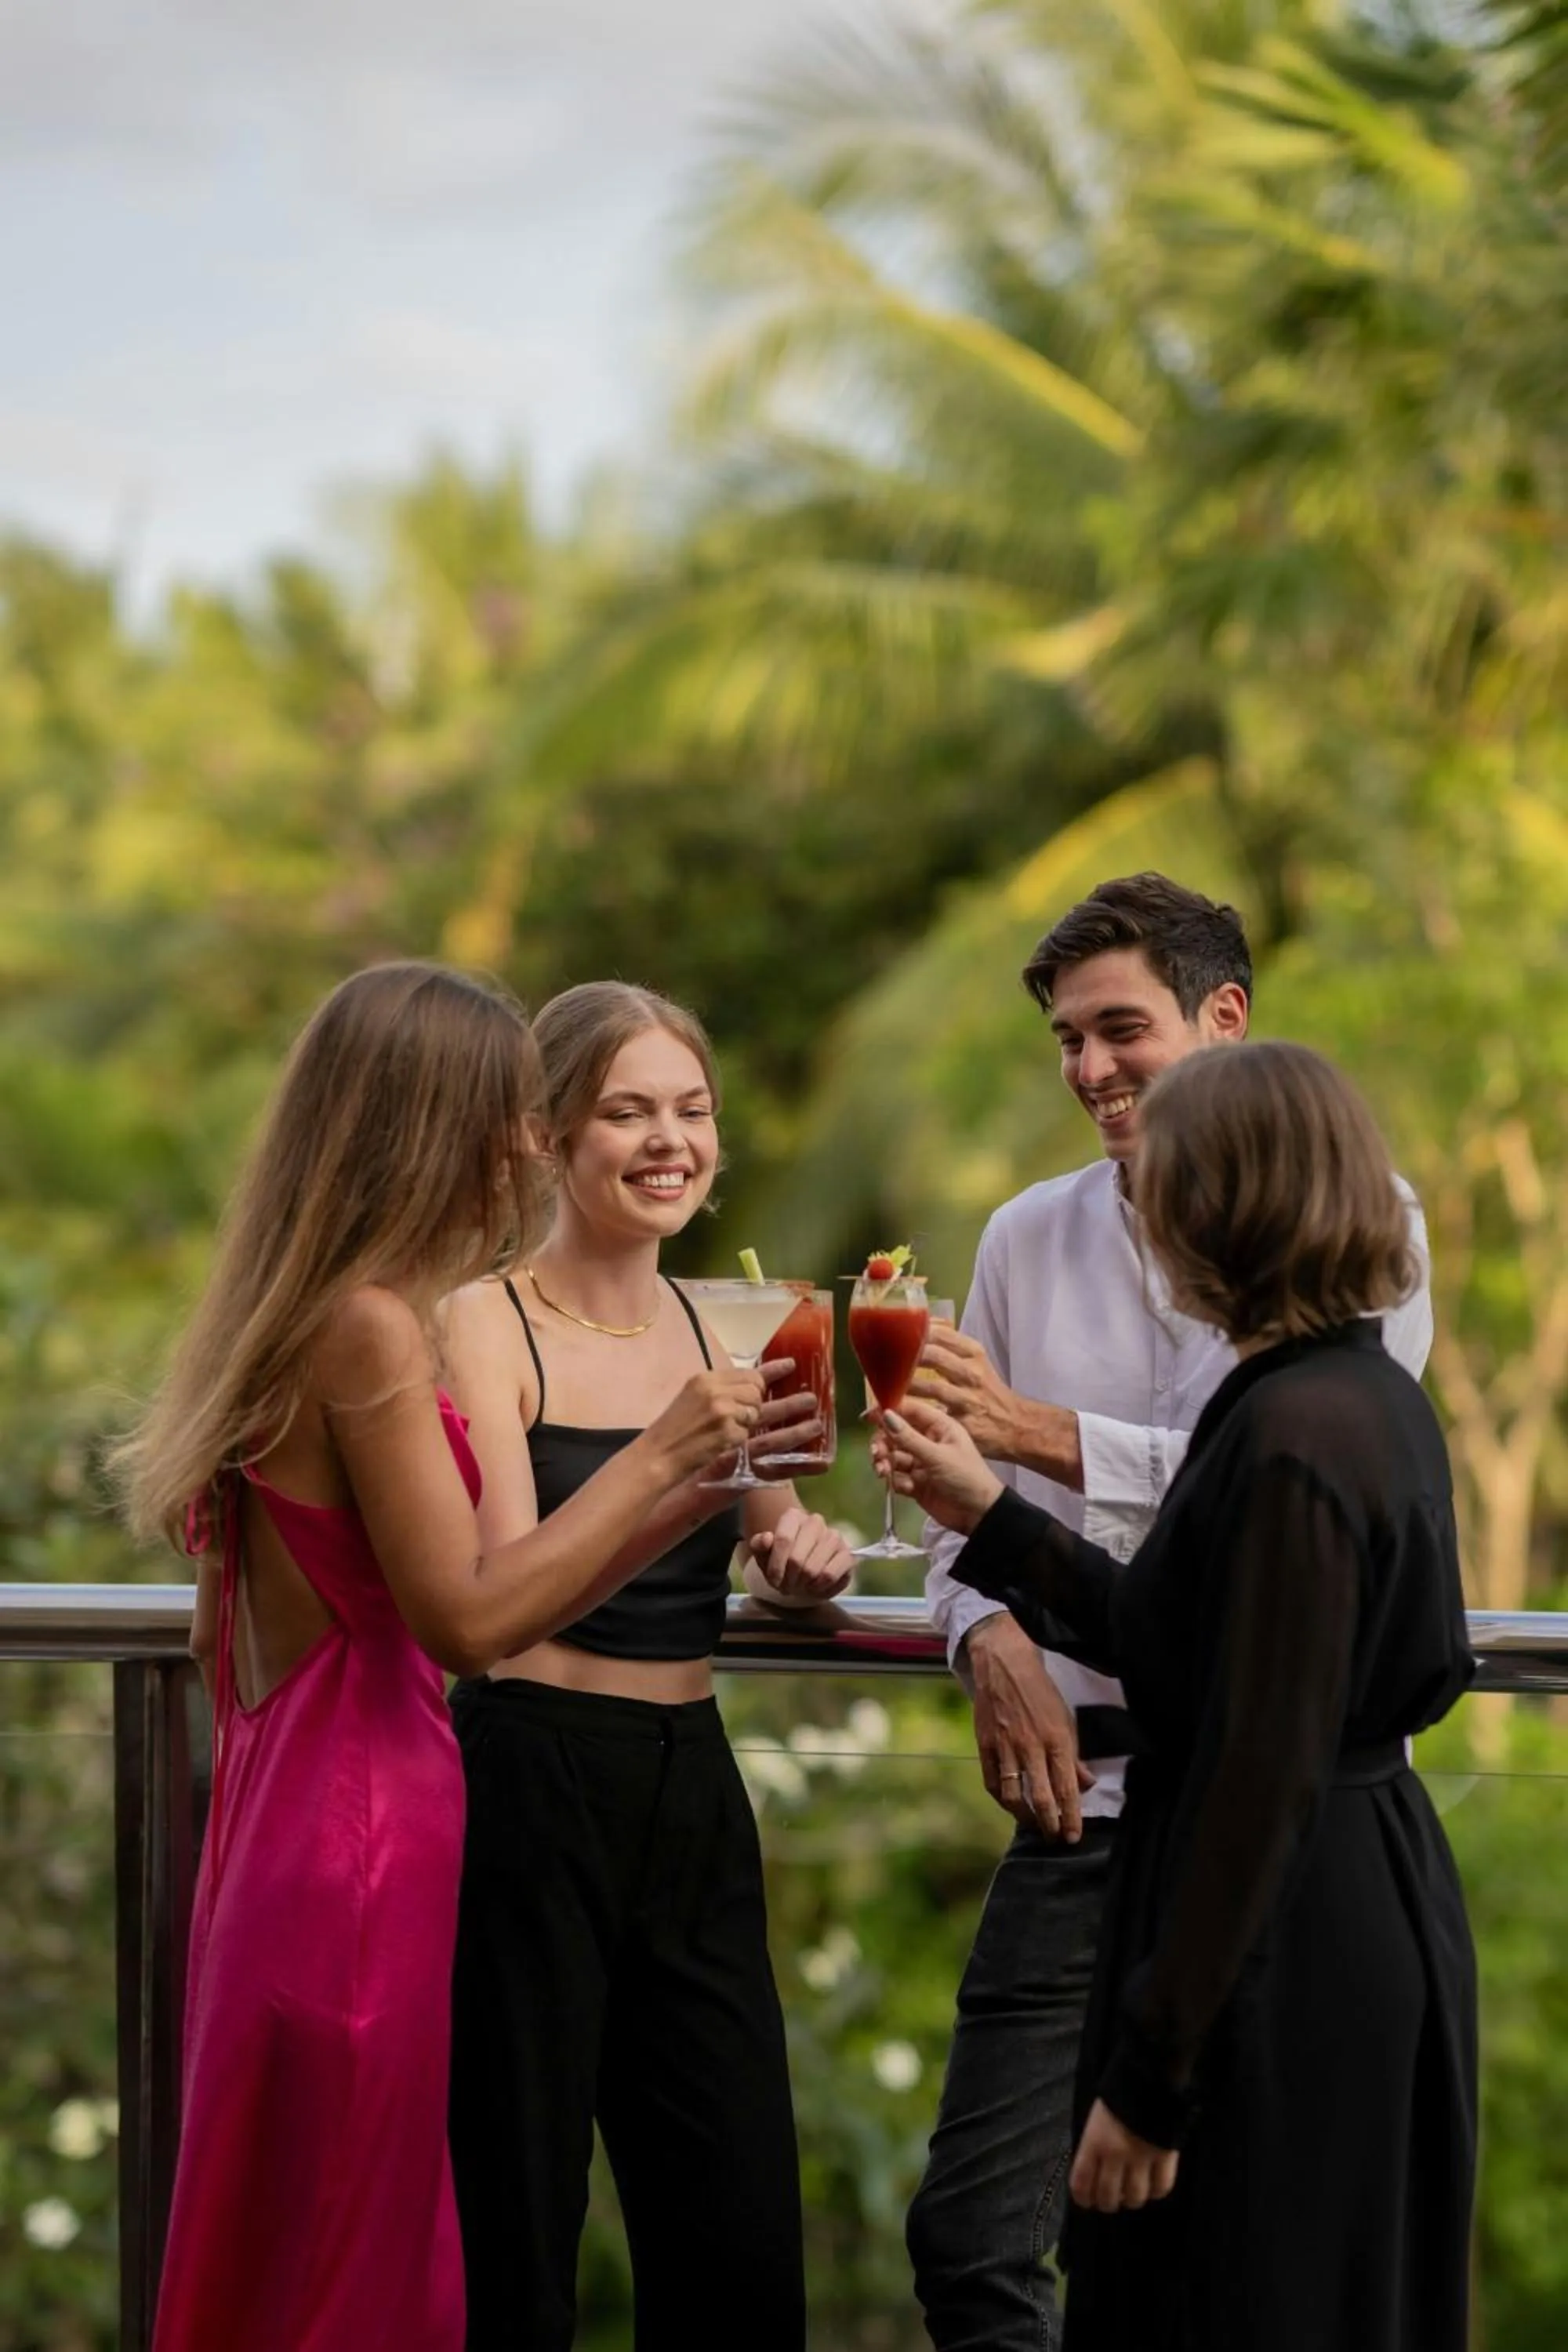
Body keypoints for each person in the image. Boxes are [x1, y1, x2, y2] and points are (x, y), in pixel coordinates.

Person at [112, 963, 766, 2352]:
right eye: (506, 1115)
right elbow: (465, 1620)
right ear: (425, 1124)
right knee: (366, 2273)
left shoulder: (295, 1314)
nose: (525, 1148)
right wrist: (664, 1453)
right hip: (366, 1842)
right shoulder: (372, 1330)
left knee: (282, 2251)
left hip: (283, 1819)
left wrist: (686, 1501)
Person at [903, 875, 1434, 2352]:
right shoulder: (1024, 1234)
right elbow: (961, 1525)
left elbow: (1248, 1517)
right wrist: (982, 1629)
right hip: (1076, 1818)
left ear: (1224, 1015)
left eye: (1117, 1029)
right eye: (1065, 1042)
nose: (1087, 1072)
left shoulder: (1360, 1234)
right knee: (973, 2238)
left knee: (1239, 2264)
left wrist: (1026, 1439)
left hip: (1271, 1846)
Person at [442, 980, 855, 2352]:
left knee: (737, 2239)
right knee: (517, 2225)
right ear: (549, 1136)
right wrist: (671, 1459)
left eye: (692, 1110)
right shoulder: (480, 1321)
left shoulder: (742, 1318)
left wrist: (803, 1559)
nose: (668, 1139)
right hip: (526, 1780)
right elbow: (497, 1588)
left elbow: (773, 1529)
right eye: (627, 1111)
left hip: (694, 1785)